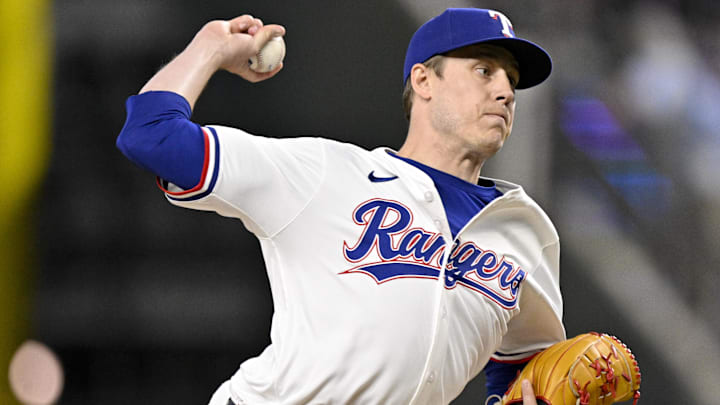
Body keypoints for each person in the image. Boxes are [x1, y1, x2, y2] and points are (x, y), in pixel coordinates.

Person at [117, 8, 565, 405]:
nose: (506, 91)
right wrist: (210, 47)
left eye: (512, 79)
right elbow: (150, 134)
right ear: (424, 80)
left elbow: (524, 364)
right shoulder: (323, 173)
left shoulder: (526, 231)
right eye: (485, 71)